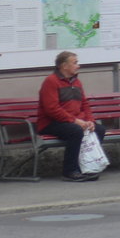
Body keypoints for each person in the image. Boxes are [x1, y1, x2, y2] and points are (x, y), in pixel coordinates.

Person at [37, 50, 106, 182]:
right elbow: (52, 109)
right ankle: (70, 171)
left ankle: (87, 166)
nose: (78, 66)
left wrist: (90, 121)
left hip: (73, 121)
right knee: (76, 131)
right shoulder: (51, 81)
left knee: (99, 129)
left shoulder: (76, 82)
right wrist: (75, 121)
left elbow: (84, 104)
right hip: (51, 123)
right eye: (75, 63)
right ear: (64, 66)